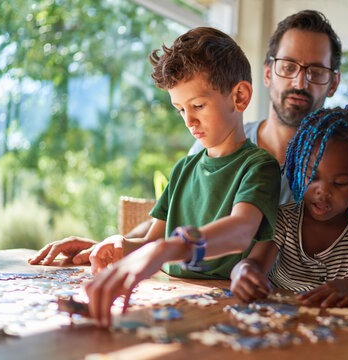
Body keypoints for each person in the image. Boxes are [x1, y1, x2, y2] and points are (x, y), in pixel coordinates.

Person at [29, 10, 348, 332]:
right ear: (267, 74)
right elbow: (165, 229)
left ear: (333, 81)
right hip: (237, 318)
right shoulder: (211, 143)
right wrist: (113, 245)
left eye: (317, 71)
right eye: (288, 66)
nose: (300, 81)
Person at [82, 27, 280, 326]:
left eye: (198, 105)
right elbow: (153, 240)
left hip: (225, 304)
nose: (189, 120)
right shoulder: (183, 168)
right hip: (166, 296)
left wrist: (167, 249)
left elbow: (241, 231)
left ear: (239, 96)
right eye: (180, 109)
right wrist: (121, 245)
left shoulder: (259, 166)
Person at [231, 106, 348, 308]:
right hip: (279, 313)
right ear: (297, 170)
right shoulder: (285, 219)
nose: (322, 191)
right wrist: (241, 271)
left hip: (336, 319)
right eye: (311, 177)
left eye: (339, 183)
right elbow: (255, 263)